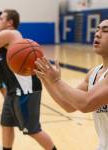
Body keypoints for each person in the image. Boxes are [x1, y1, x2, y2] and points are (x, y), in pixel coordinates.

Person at [0, 9, 57, 150]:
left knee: (33, 130)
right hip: (13, 89)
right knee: (6, 123)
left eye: (1, 19)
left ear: (10, 22)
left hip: (26, 89)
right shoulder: (5, 39)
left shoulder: (10, 34)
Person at [34, 19, 108, 150]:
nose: (97, 34)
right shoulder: (94, 73)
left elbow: (85, 104)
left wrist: (56, 81)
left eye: (105, 30)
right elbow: (69, 105)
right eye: (97, 29)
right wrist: (46, 79)